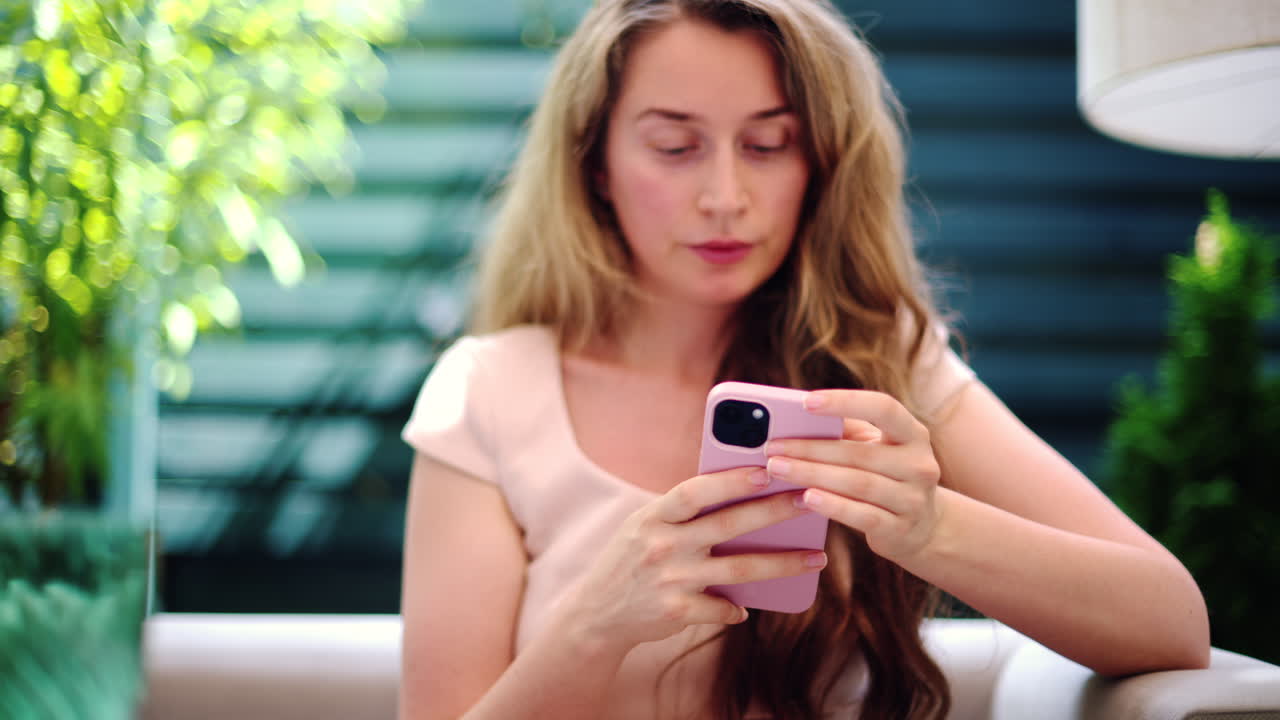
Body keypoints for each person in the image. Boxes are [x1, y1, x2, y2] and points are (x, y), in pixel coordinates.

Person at [397, 1, 1211, 718]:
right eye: (675, 147)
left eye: (768, 144)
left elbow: (1173, 623)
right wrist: (595, 625)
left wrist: (931, 529)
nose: (725, 195)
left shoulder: (881, 362)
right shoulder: (490, 391)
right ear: (595, 165)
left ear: (820, 166)